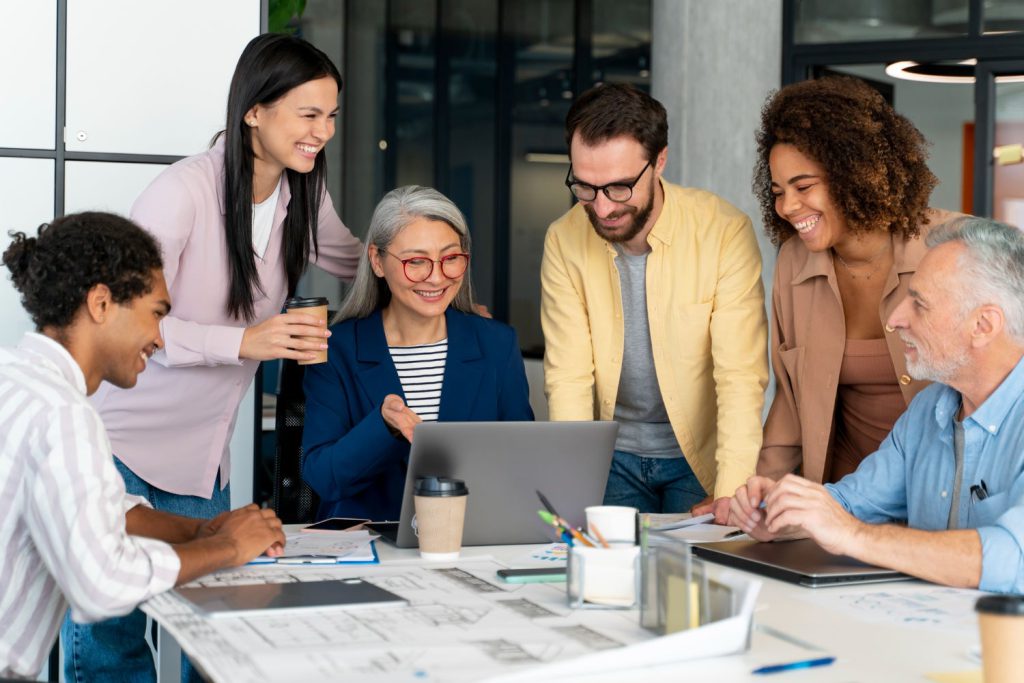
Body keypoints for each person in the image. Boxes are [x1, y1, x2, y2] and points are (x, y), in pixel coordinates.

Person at [67, 34, 361, 681]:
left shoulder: (303, 199)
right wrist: (245, 341)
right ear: (254, 110)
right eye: (309, 114)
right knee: (109, 648)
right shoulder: (182, 192)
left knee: (213, 638)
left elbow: (358, 260)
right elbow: (123, 322)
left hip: (202, 462)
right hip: (118, 446)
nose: (324, 132)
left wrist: (421, 267)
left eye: (332, 116)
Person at [0, 213, 285, 679]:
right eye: (156, 313)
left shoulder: (16, 377)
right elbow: (101, 583)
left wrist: (204, 530)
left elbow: (109, 510)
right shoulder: (63, 415)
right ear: (100, 303)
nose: (158, 338)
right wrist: (228, 549)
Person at [730, 217, 1024, 593]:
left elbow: (1015, 559)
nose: (895, 319)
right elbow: (852, 503)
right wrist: (783, 512)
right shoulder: (928, 409)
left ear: (983, 325)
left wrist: (852, 534)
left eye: (919, 304)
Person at [541, 83, 768, 516]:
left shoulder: (724, 232)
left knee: (692, 578)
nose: (602, 208)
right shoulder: (564, 239)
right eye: (585, 187)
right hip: (611, 459)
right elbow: (568, 378)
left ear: (659, 161)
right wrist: (571, 485)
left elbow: (740, 375)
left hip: (698, 459)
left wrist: (731, 490)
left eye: (619, 188)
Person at [752, 76, 960, 493]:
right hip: (843, 496)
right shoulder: (794, 262)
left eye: (804, 186)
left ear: (856, 173)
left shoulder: (957, 249)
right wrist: (758, 491)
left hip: (940, 493)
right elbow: (791, 405)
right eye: (778, 191)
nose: (788, 207)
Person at [301, 186, 534, 520]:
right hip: (371, 544)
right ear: (377, 261)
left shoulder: (496, 344)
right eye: (416, 262)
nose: (437, 277)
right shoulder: (337, 348)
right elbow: (323, 477)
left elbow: (522, 462)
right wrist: (383, 428)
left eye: (451, 258)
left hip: (470, 540)